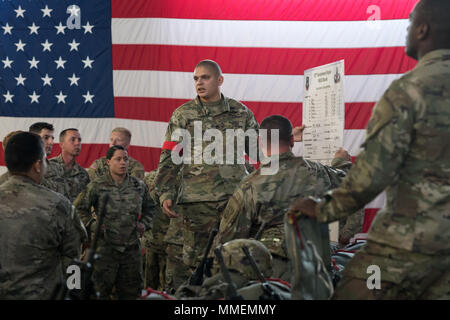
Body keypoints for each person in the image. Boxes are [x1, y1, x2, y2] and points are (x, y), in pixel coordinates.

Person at [288, 0, 450, 299]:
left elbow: (371, 176)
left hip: (409, 246)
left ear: (423, 29)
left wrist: (322, 209)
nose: (408, 30)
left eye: (411, 22)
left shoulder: (408, 91)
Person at [154, 60, 260, 290]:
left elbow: (256, 156)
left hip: (234, 203)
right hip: (196, 204)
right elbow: (170, 158)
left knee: (233, 264)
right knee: (197, 267)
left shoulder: (241, 113)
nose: (199, 83)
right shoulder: (183, 115)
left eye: (205, 77)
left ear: (219, 80)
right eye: (195, 78)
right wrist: (165, 192)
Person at [213, 115, 353, 281]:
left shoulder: (249, 186)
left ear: (261, 143)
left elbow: (226, 240)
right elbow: (348, 182)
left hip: (276, 275)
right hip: (317, 266)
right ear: (292, 141)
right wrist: (340, 161)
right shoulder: (317, 172)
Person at [0, 132, 81, 299]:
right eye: (45, 160)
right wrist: (75, 293)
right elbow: (73, 259)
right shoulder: (58, 205)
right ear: (37, 165)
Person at [74, 145, 155, 299]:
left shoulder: (138, 185)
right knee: (99, 293)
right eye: (118, 159)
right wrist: (92, 225)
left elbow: (150, 207)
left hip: (131, 250)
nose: (123, 163)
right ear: (108, 162)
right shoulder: (97, 185)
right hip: (105, 249)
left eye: (126, 159)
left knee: (131, 294)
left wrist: (144, 223)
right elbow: (78, 209)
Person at [142, 169, 169, 291]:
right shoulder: (151, 177)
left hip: (170, 242)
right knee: (148, 283)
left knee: (166, 285)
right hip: (151, 238)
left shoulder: (183, 179)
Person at [50, 128, 90, 202]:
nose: (77, 143)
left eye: (79, 140)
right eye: (73, 140)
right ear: (62, 144)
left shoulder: (83, 174)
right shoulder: (48, 167)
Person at [28, 122, 66, 195]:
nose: (51, 142)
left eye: (52, 138)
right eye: (46, 138)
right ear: (33, 139)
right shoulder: (23, 168)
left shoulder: (57, 168)